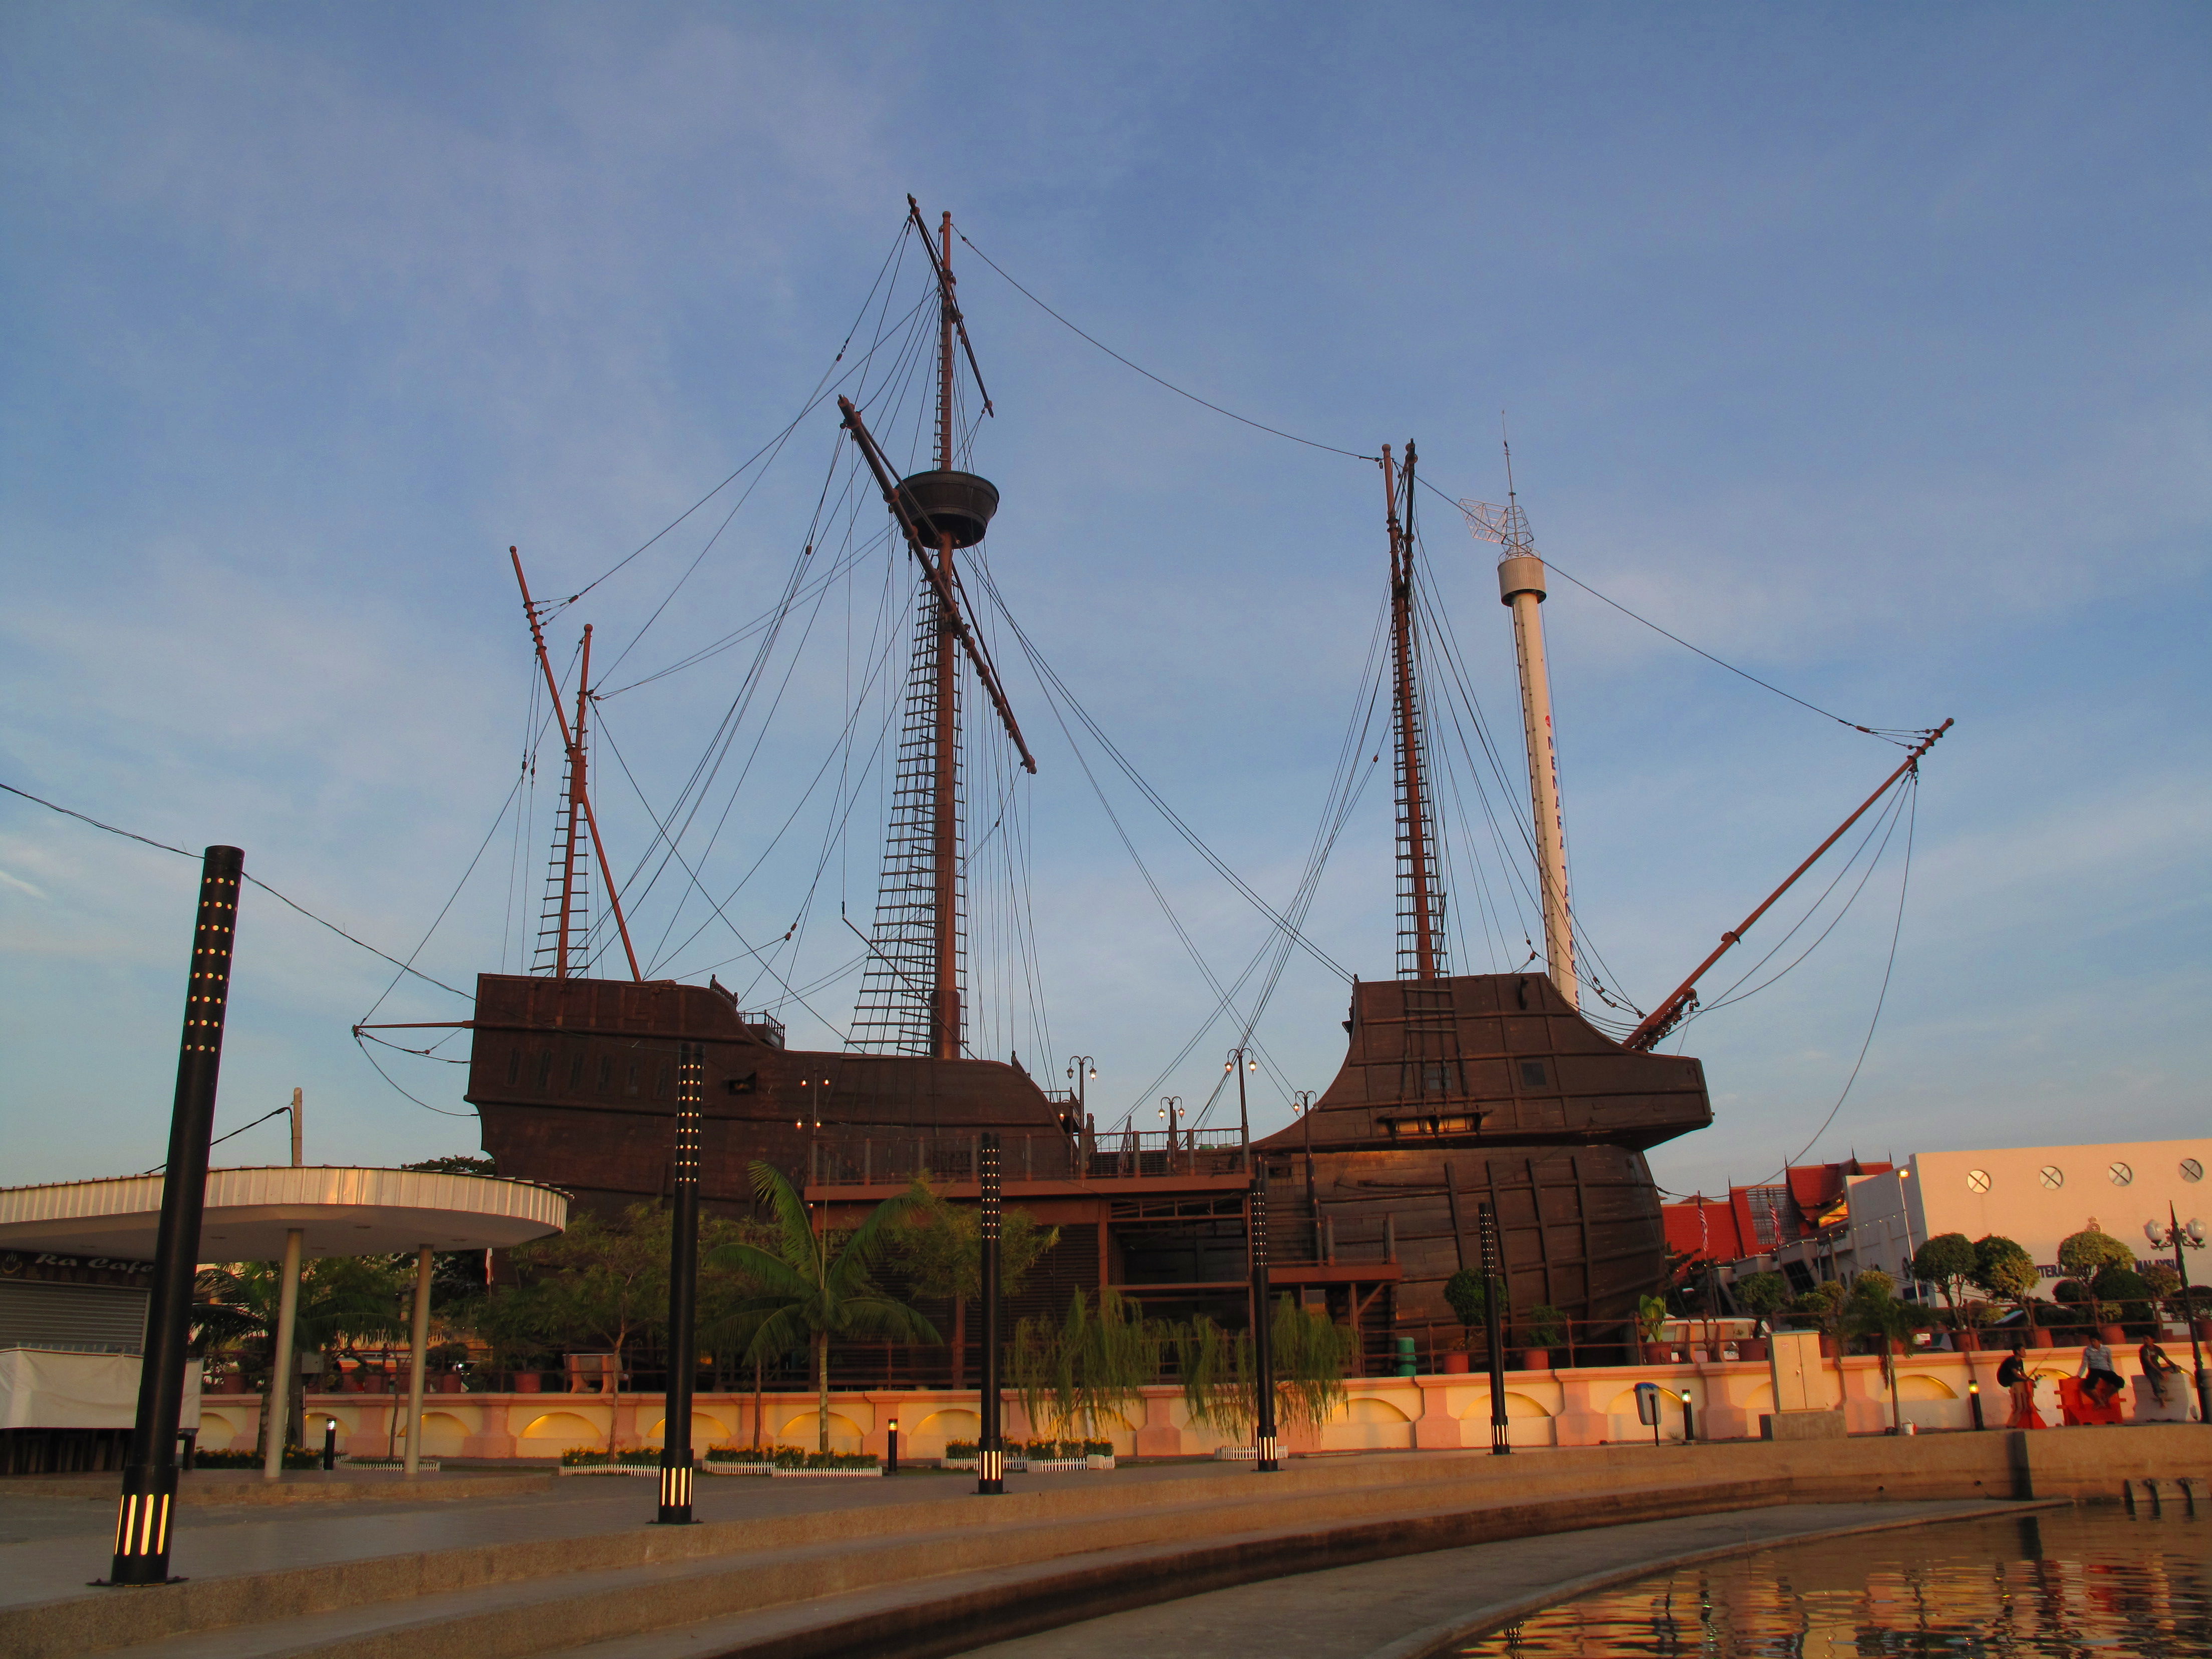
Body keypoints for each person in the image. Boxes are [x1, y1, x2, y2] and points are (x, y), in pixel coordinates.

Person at [1997, 1343, 2039, 1428]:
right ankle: (2022, 1403)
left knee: (2028, 1382)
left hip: (2014, 1378)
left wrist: (2030, 1380)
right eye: (2023, 1351)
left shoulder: (2020, 1361)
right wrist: (2026, 1380)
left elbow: (2023, 1374)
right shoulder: (2011, 1360)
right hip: (2006, 1379)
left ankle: (2029, 1400)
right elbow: (2016, 1374)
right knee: (2022, 1382)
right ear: (2018, 1352)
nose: (2025, 1353)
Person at [2079, 1334, 2124, 1409]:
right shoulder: (2087, 1350)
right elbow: (2084, 1364)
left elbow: (2110, 1362)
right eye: (2091, 1341)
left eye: (2094, 1341)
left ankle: (2106, 1397)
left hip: (2105, 1370)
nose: (2093, 1343)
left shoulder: (2107, 1350)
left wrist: (2113, 1373)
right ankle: (2099, 1401)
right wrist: (2079, 1375)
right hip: (2094, 1370)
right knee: (2089, 1384)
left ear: (2099, 1341)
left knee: (2120, 1382)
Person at [2139, 1337, 2183, 1406]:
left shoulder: (2157, 1349)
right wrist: (2159, 1373)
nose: (2146, 1341)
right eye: (2145, 1339)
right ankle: (2161, 1399)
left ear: (2152, 1340)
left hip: (2159, 1368)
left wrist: (2174, 1366)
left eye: (2147, 1339)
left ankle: (2167, 1373)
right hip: (2150, 1370)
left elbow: (2167, 1360)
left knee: (2178, 1368)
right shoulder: (2144, 1349)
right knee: (2155, 1382)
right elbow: (2149, 1363)